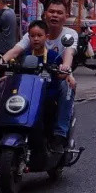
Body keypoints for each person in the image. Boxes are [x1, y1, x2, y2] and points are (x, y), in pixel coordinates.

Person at [20, 19, 75, 151]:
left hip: (49, 98)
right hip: (27, 98)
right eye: (32, 36)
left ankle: (60, 135)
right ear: (28, 37)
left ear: (47, 37)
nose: (36, 39)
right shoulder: (24, 56)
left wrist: (65, 73)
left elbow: (62, 73)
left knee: (67, 87)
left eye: (39, 35)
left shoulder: (54, 56)